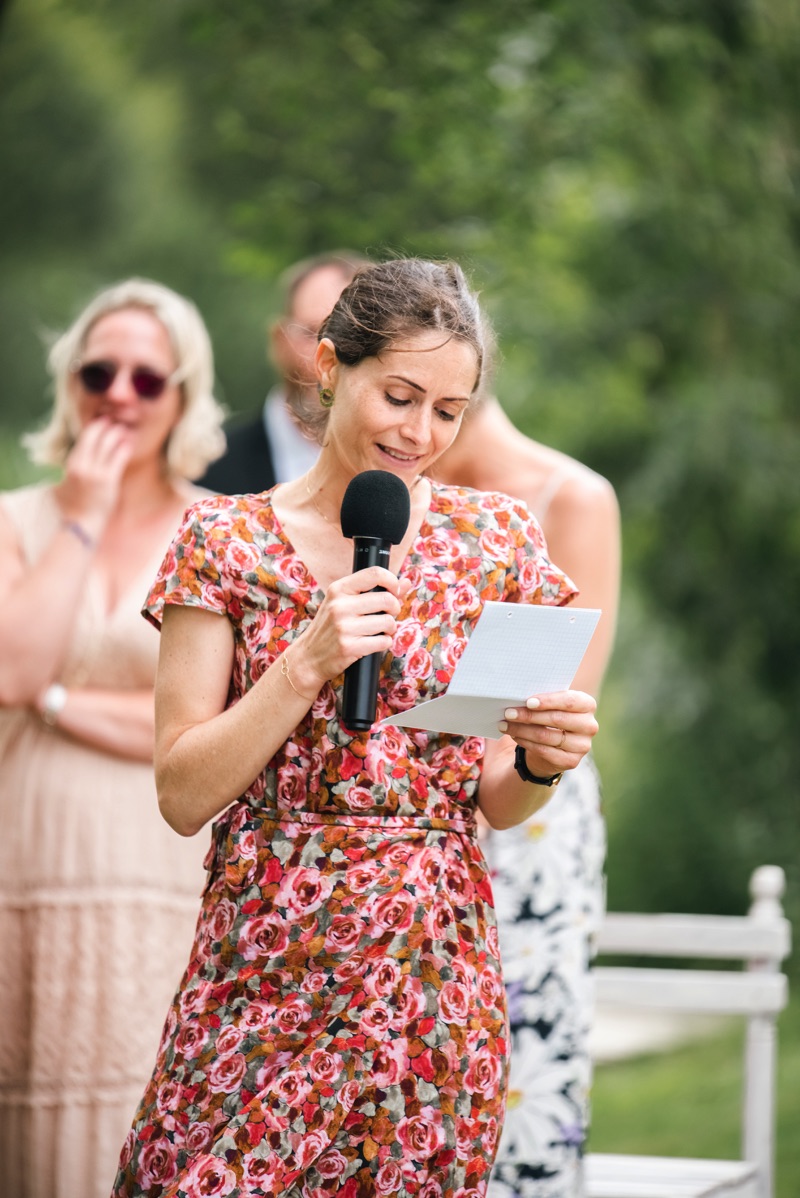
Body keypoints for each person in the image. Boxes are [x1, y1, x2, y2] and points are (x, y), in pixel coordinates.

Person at [110, 258, 600, 1198]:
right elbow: (181, 793)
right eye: (400, 395)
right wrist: (306, 662)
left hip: (432, 962)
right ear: (332, 366)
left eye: (448, 411)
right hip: (264, 949)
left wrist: (540, 761)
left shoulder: (497, 543)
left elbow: (493, 799)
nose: (419, 434)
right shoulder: (226, 541)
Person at [0, 278, 228, 1198]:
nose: (120, 395)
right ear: (71, 382)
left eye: (148, 378)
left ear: (183, 396)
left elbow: (207, 727)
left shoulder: (217, 529)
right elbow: (14, 666)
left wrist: (55, 702)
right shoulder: (18, 520)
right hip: (24, 861)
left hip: (158, 867)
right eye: (101, 372)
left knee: (143, 1089)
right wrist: (83, 516)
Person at [434, 395, 621, 1197]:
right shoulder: (392, 495)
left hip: (528, 812)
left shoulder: (569, 497)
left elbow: (564, 696)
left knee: (524, 1053)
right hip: (412, 805)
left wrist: (463, 759)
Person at [198, 250, 367, 495]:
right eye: (315, 334)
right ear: (280, 340)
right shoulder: (208, 465)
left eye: (358, 338)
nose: (333, 357)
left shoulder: (415, 473)